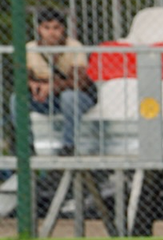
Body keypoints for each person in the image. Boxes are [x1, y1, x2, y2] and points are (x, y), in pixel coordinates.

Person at [6, 9, 96, 156]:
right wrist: (32, 85)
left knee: (69, 97)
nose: (51, 33)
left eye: (56, 28)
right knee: (16, 99)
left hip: (75, 99)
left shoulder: (74, 47)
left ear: (63, 29)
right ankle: (26, 146)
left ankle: (68, 145)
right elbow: (20, 77)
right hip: (45, 99)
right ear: (39, 29)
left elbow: (79, 82)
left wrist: (51, 86)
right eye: (46, 28)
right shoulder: (30, 48)